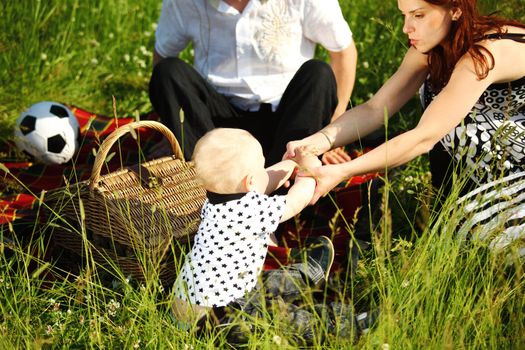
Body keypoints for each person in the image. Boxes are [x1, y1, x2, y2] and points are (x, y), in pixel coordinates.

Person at [284, 0, 525, 253]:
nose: (406, 28)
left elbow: (424, 138)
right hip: (478, 175)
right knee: (459, 236)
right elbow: (375, 109)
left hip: (515, 177)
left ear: (455, 10)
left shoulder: (485, 54)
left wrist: (341, 172)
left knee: (480, 241)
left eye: (418, 15)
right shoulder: (431, 48)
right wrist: (315, 142)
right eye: (404, 15)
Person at [171, 128, 376, 344]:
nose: (265, 170)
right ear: (249, 181)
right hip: (221, 318)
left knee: (265, 284)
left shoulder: (214, 201)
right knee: (282, 318)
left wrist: (292, 164)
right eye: (261, 166)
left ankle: (307, 273)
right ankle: (342, 326)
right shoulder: (251, 211)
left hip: (191, 308)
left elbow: (264, 180)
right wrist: (310, 168)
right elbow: (297, 200)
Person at [149, 0, 357, 166]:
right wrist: (173, 128)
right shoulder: (183, 3)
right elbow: (163, 55)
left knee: (318, 73)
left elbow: (343, 53)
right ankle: (205, 178)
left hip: (288, 117)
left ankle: (284, 183)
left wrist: (331, 133)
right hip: (216, 122)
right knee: (168, 71)